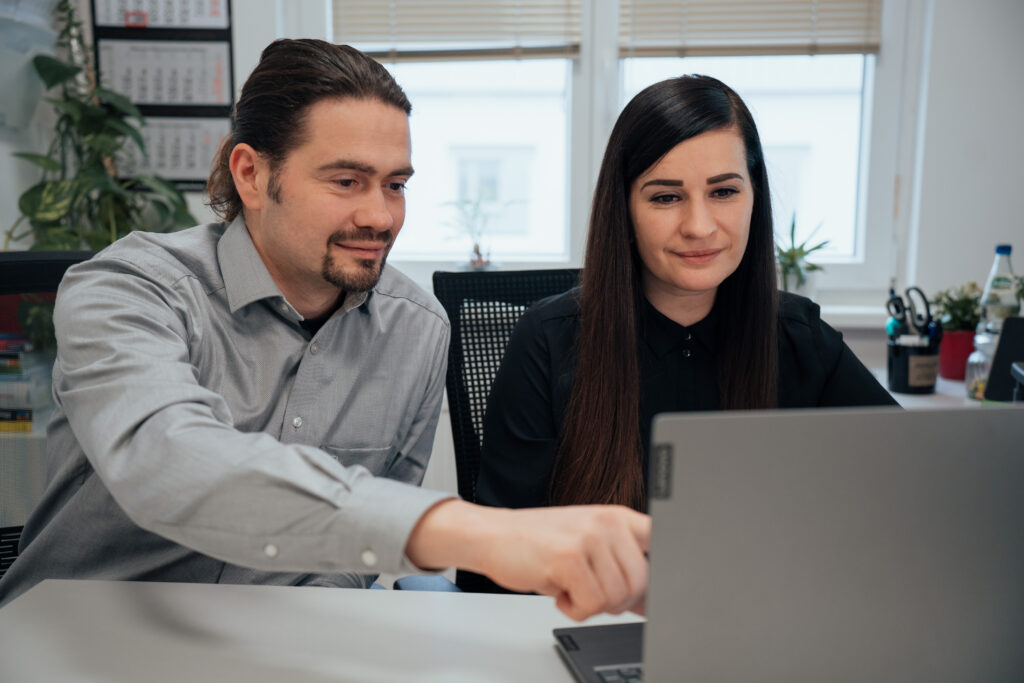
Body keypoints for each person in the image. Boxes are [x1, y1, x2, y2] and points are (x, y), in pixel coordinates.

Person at [0, 39, 649, 622]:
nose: (380, 214)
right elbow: (170, 461)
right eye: (347, 180)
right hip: (85, 633)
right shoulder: (128, 290)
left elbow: (348, 565)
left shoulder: (416, 329)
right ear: (251, 174)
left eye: (395, 184)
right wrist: (475, 533)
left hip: (275, 644)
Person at [468, 75, 897, 593]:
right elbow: (492, 567)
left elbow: (911, 492)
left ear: (754, 197)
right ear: (623, 208)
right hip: (586, 628)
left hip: (758, 632)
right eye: (667, 197)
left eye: (723, 191)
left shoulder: (799, 339)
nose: (699, 225)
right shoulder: (549, 339)